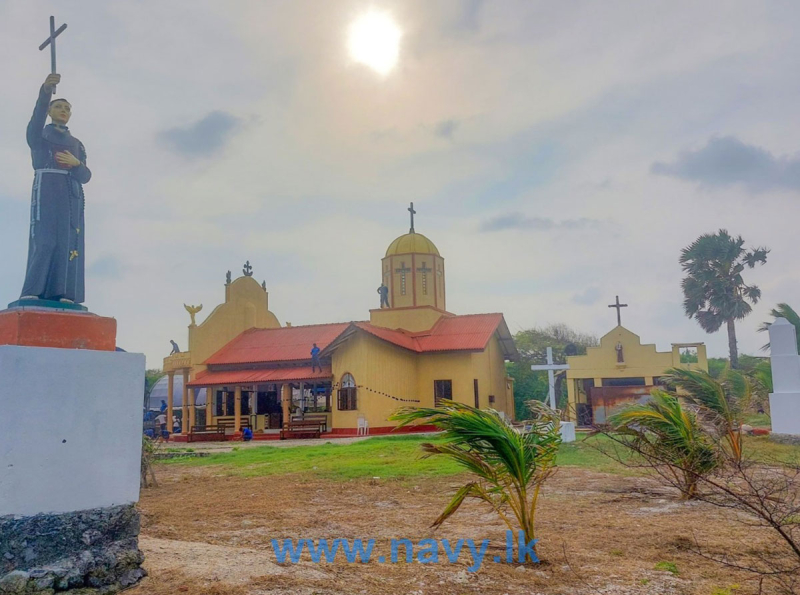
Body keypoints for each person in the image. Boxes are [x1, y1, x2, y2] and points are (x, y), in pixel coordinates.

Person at [19, 73, 91, 304]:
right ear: (50, 111)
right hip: (47, 189)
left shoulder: (77, 144)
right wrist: (45, 91)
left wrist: (76, 164)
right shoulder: (39, 135)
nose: (63, 110)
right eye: (58, 106)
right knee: (45, 239)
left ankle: (65, 293)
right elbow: (36, 118)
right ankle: (34, 289)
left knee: (68, 243)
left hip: (71, 195)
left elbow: (86, 175)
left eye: (67, 108)